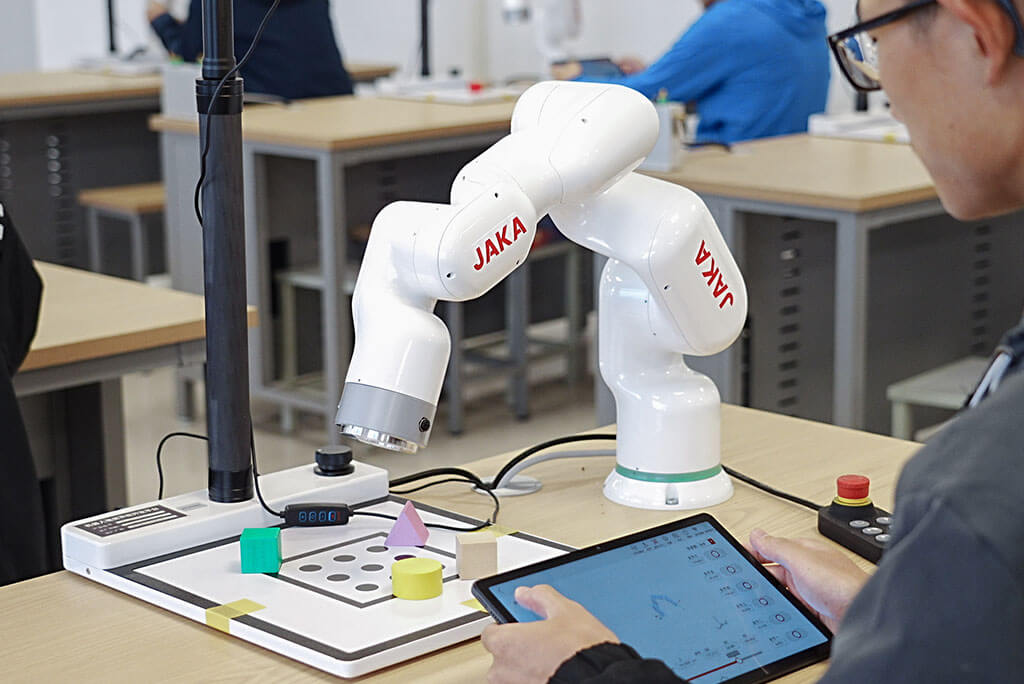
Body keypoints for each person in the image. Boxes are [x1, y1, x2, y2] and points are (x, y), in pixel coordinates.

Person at [483, 0, 1024, 681]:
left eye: (873, 46)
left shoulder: (982, 492)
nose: (881, 89)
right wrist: (894, 616)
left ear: (979, 34)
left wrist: (585, 672)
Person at [550, 0, 830, 145]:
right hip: (786, 165)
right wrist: (653, 75)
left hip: (730, 168)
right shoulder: (804, 13)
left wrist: (574, 79)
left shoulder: (730, 19)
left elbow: (644, 93)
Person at [146, 0, 354, 100]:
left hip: (273, 110)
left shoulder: (215, 4)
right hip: (338, 102)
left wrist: (160, 19)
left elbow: (187, 53)